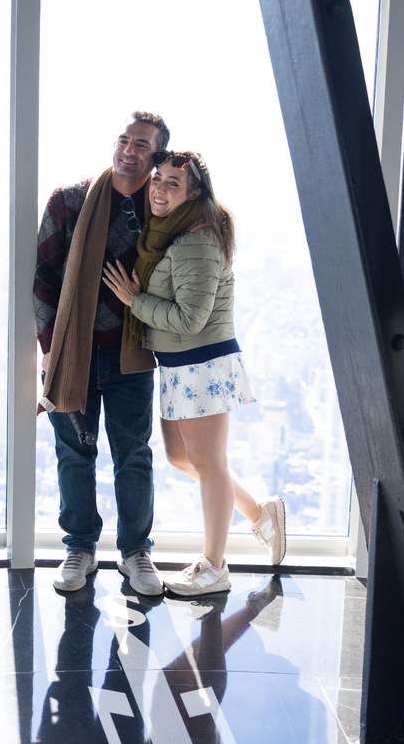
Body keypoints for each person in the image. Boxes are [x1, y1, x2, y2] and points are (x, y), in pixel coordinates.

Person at [102, 150, 286, 598]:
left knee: (208, 464)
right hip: (180, 366)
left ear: (194, 193)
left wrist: (133, 300)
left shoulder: (197, 242)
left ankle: (214, 566)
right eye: (157, 180)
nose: (160, 189)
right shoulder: (172, 234)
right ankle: (260, 515)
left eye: (172, 184)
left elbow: (190, 319)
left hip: (202, 364)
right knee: (184, 459)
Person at [35, 112, 170, 597]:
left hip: (132, 355)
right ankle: (80, 547)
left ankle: (136, 552)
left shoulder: (162, 212)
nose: (129, 149)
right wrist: (50, 348)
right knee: (74, 453)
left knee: (133, 455)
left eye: (141, 144)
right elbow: (44, 279)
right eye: (124, 139)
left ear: (156, 158)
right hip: (73, 355)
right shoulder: (71, 200)